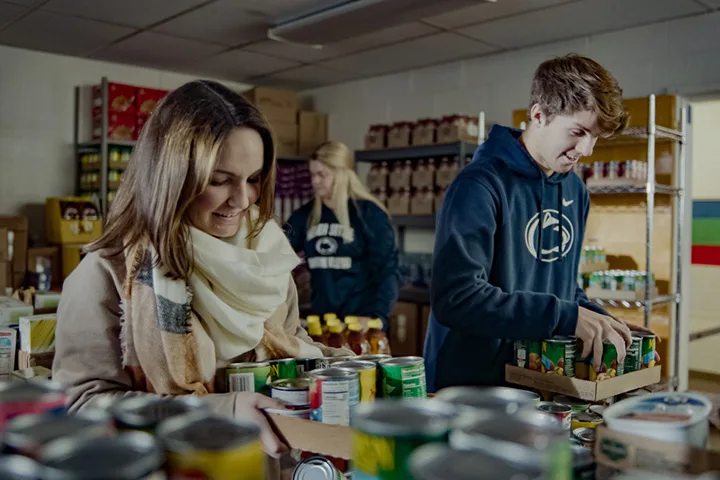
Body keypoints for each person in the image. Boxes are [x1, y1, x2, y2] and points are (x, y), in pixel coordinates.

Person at [52, 80, 350, 463]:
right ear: (171, 176)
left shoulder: (269, 259)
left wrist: (340, 368)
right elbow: (80, 408)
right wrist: (219, 413)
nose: (243, 200)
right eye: (219, 180)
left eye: (254, 179)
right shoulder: (108, 274)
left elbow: (289, 344)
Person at [423, 54, 659, 392]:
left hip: (537, 377)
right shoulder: (478, 186)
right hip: (471, 385)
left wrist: (598, 319)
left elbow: (561, 287)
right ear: (538, 115)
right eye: (577, 132)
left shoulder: (575, 189)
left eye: (594, 137)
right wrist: (566, 316)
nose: (586, 150)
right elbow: (457, 299)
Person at [284, 141, 400, 328]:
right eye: (312, 174)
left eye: (322, 175)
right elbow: (277, 254)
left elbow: (388, 270)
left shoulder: (369, 215)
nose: (315, 181)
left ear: (342, 174)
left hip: (360, 324)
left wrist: (378, 317)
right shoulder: (304, 217)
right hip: (322, 325)